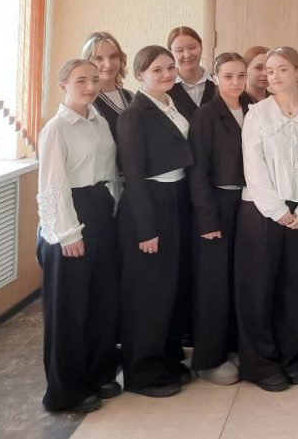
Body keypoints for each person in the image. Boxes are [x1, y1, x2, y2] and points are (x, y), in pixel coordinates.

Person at [235, 47, 298, 392]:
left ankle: (290, 357)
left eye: (281, 69)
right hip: (263, 212)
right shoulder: (257, 114)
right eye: (269, 71)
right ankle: (261, 364)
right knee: (259, 290)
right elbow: (253, 167)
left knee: (295, 288)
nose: (273, 76)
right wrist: (278, 210)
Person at [36, 59, 120, 413]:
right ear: (63, 85)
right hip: (70, 214)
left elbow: (109, 170)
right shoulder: (57, 128)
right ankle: (65, 390)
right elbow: (52, 185)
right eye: (81, 80)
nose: (90, 86)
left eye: (95, 79)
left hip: (100, 210)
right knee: (69, 308)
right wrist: (68, 234)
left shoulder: (99, 120)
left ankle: (99, 374)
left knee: (102, 300)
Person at [115, 46, 194, 398]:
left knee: (170, 287)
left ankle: (165, 357)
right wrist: (146, 229)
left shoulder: (171, 104)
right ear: (140, 75)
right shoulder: (134, 114)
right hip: (149, 205)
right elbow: (133, 176)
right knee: (148, 293)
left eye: (170, 67)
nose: (167, 74)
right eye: (157, 69)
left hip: (176, 199)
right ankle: (140, 372)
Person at [187, 53, 251, 386]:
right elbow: (198, 171)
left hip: (248, 203)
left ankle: (234, 346)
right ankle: (208, 359)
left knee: (239, 279)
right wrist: (207, 220)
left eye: (241, 75)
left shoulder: (253, 108)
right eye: (228, 76)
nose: (236, 82)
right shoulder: (206, 115)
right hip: (217, 203)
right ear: (215, 77)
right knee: (214, 284)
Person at [81, 31, 134, 149]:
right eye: (98, 58)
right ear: (87, 62)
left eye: (113, 56)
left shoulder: (131, 97)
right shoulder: (86, 103)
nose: (108, 64)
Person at [167, 27, 216, 121]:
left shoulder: (218, 84)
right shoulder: (165, 88)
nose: (187, 55)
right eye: (179, 50)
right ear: (170, 53)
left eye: (192, 48)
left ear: (201, 47)